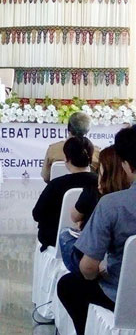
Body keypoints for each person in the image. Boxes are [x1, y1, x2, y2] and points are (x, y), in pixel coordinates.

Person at [57, 126, 136, 335]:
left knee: (68, 285)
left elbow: (88, 268)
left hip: (122, 296)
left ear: (127, 165)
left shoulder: (112, 205)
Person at [59, 145, 131, 273]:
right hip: (124, 268)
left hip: (102, 268)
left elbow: (89, 268)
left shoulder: (106, 202)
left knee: (65, 234)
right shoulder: (127, 198)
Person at [32, 136, 98, 251]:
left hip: (55, 241)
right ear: (91, 158)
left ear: (67, 159)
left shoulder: (56, 185)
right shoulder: (101, 184)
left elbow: (37, 214)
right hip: (92, 241)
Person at [41, 111, 100, 182]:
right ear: (87, 131)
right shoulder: (97, 153)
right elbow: (101, 178)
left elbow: (46, 177)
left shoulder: (53, 149)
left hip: (58, 188)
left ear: (68, 128)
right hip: (88, 188)